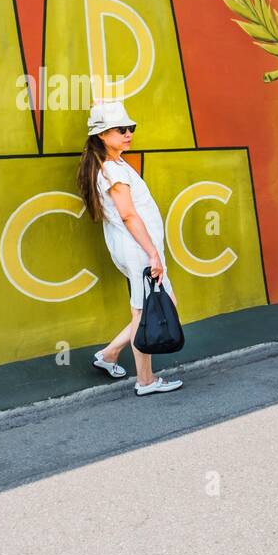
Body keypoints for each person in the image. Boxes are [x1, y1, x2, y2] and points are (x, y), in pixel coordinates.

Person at [78, 101, 184, 396]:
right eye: (120, 129)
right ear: (101, 135)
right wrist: (152, 253)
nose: (128, 133)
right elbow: (128, 214)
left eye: (130, 128)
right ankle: (145, 381)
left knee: (151, 309)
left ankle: (110, 355)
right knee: (145, 313)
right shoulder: (113, 171)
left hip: (135, 248)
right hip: (138, 250)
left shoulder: (113, 166)